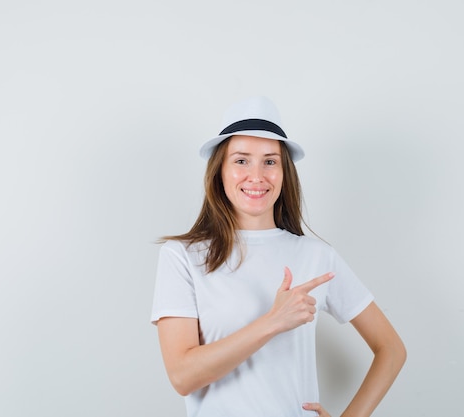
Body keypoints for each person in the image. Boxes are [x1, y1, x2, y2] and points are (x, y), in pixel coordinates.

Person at [151, 96, 406, 417]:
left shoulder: (317, 256)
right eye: (241, 160)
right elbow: (182, 376)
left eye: (270, 161)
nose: (256, 175)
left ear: (284, 172)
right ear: (220, 171)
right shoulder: (183, 257)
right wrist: (272, 323)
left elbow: (391, 350)